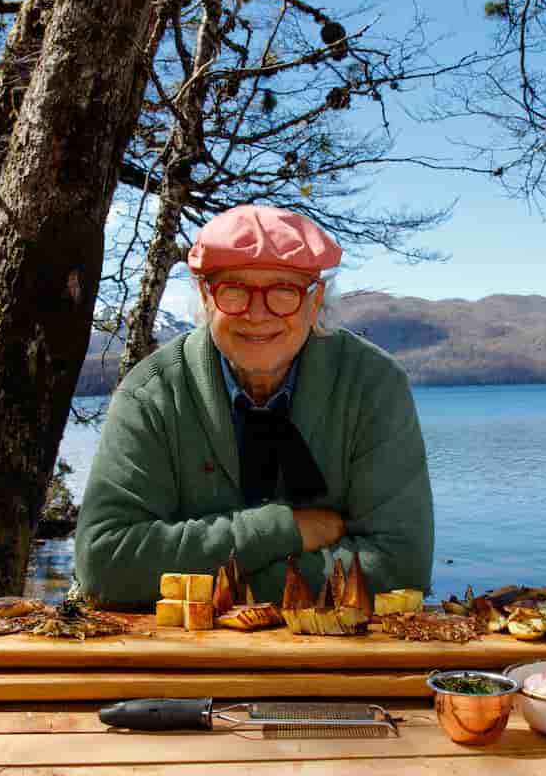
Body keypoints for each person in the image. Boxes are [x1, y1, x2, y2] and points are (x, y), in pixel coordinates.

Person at [75, 204, 434, 609]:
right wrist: (286, 529)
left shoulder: (372, 386)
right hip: (184, 662)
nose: (257, 314)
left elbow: (400, 569)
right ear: (205, 296)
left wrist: (206, 585)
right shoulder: (152, 392)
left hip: (340, 658)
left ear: (316, 302)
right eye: (234, 290)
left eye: (285, 291)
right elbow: (105, 566)